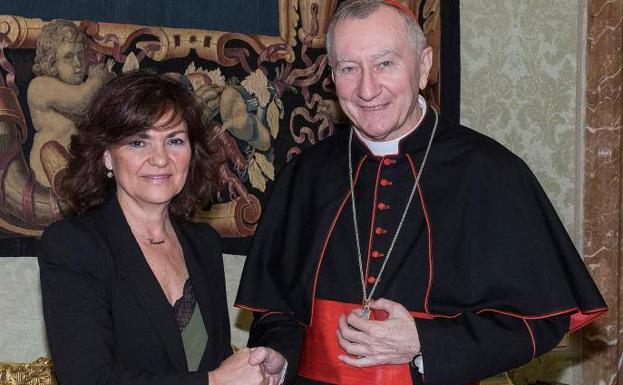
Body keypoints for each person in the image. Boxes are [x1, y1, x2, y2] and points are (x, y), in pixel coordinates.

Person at [235, 1, 608, 385]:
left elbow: (538, 321)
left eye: (385, 63)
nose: (367, 88)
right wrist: (280, 356)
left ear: (424, 65)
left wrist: (423, 342)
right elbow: (276, 307)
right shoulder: (306, 174)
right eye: (349, 68)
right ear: (333, 76)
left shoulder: (490, 172)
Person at [39, 71, 275, 385]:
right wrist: (214, 382)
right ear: (107, 156)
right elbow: (87, 378)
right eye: (139, 142)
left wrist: (259, 367)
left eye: (175, 140)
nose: (160, 159)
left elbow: (208, 361)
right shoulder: (73, 245)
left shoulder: (204, 244)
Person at [28, 19, 114, 191]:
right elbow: (80, 101)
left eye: (80, 56)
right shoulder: (40, 85)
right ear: (52, 62)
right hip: (48, 177)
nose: (77, 64)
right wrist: (98, 80)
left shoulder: (85, 89)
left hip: (77, 172)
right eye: (68, 57)